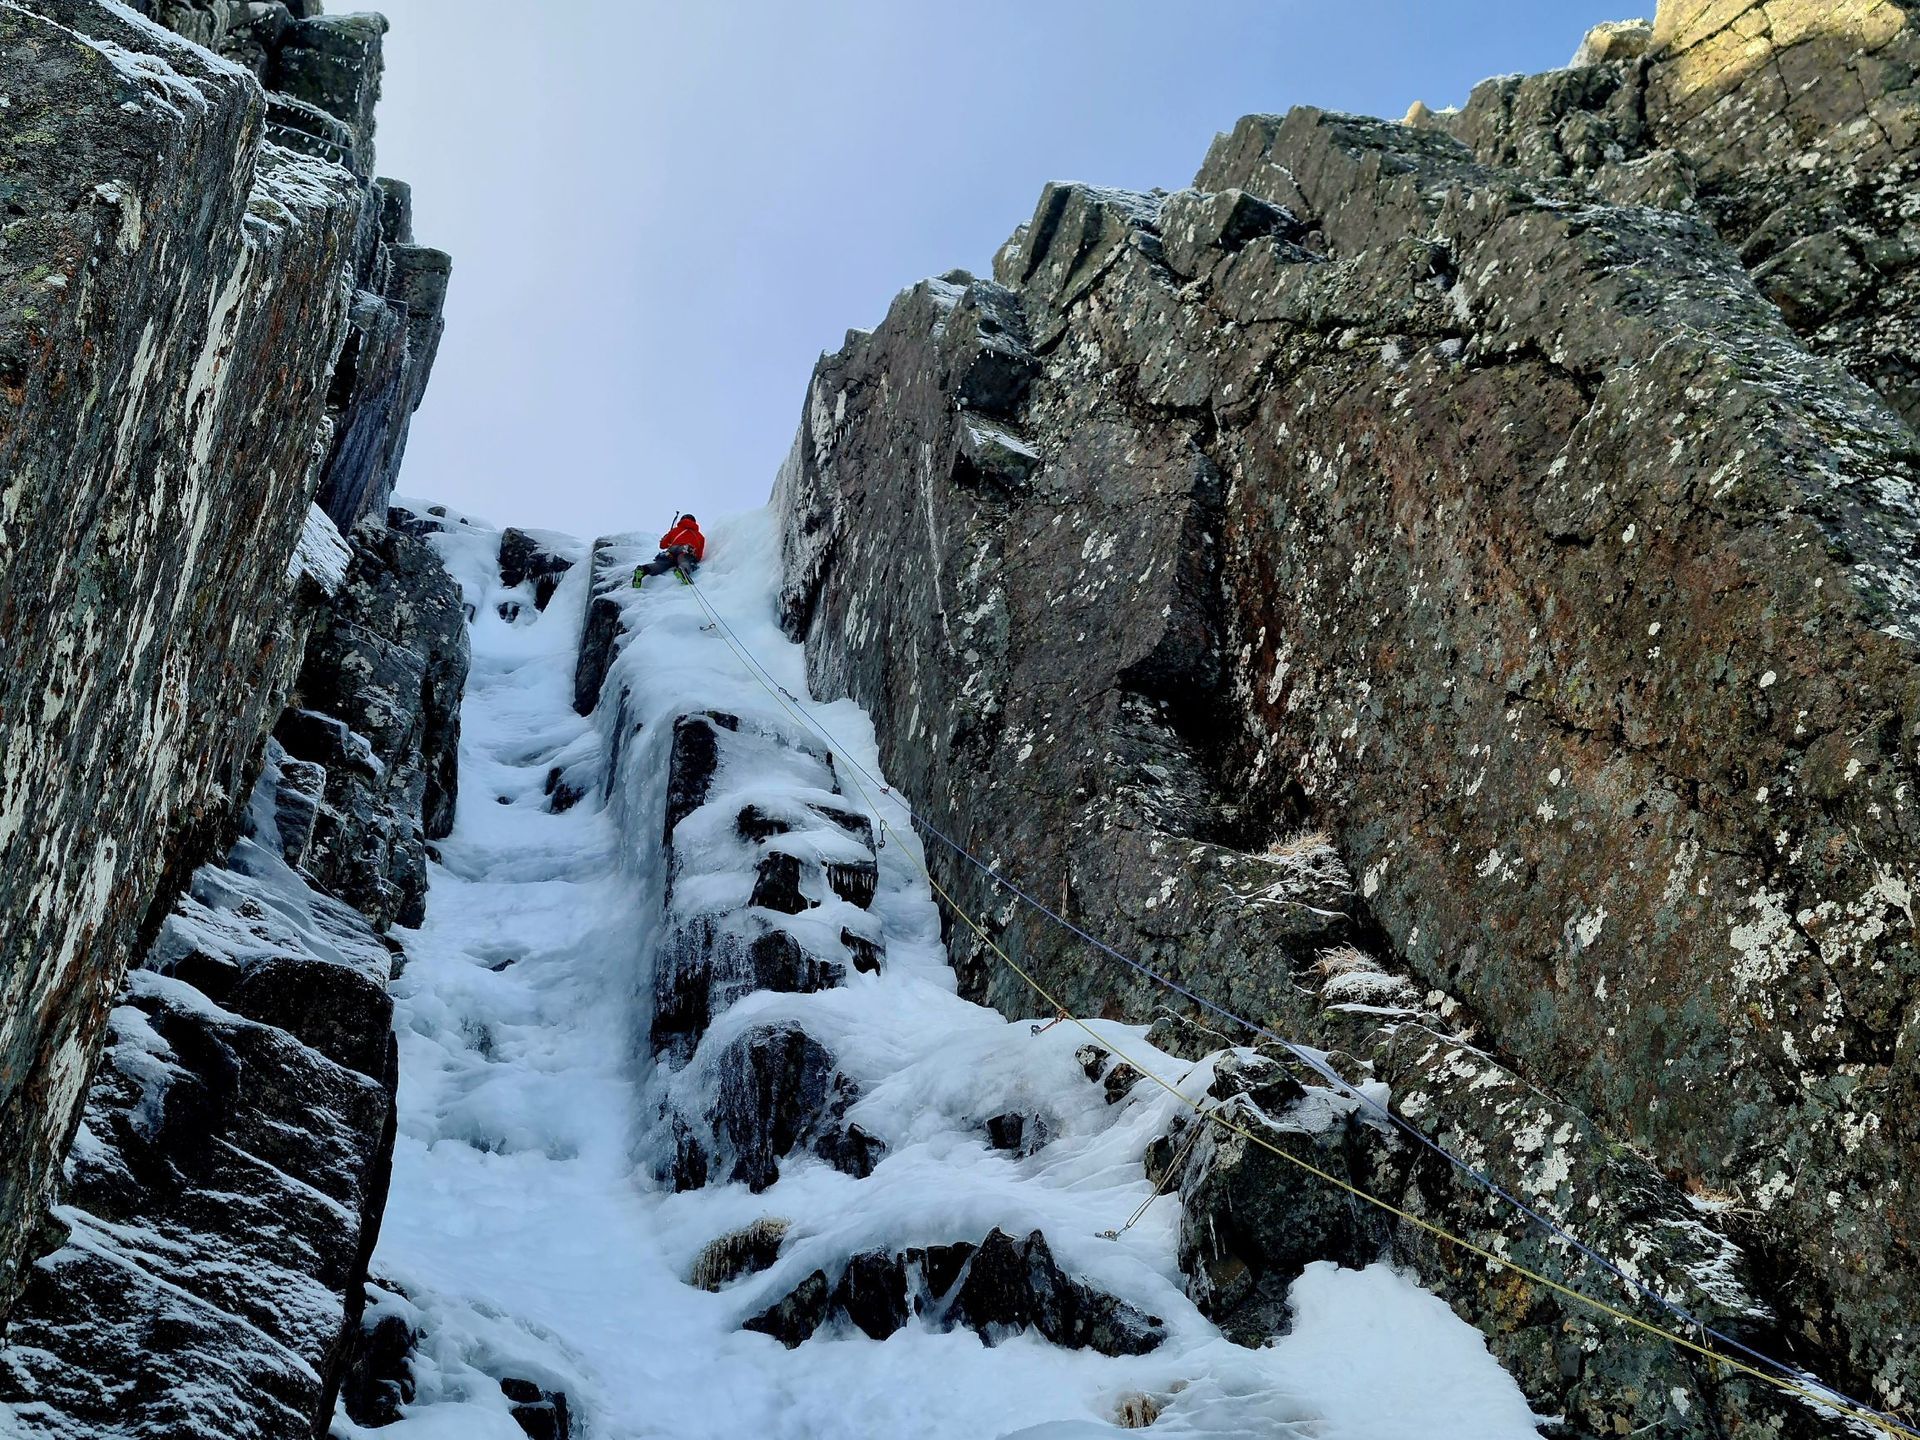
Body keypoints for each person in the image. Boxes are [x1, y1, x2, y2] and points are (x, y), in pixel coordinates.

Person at [632, 514, 706, 587]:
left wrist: (666, 537)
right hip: (686, 549)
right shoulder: (699, 536)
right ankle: (683, 571)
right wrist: (695, 559)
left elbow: (662, 545)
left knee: (660, 564)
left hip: (671, 550)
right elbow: (699, 555)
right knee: (684, 561)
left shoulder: (675, 530)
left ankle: (643, 570)